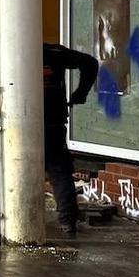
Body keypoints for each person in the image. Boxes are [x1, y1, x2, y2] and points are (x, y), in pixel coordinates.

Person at [43, 41, 99, 236]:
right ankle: (68, 221)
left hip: (21, 121)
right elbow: (90, 63)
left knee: (14, 168)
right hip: (53, 120)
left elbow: (90, 63)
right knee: (59, 171)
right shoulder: (54, 52)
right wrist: (80, 93)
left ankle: (11, 218)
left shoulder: (9, 50)